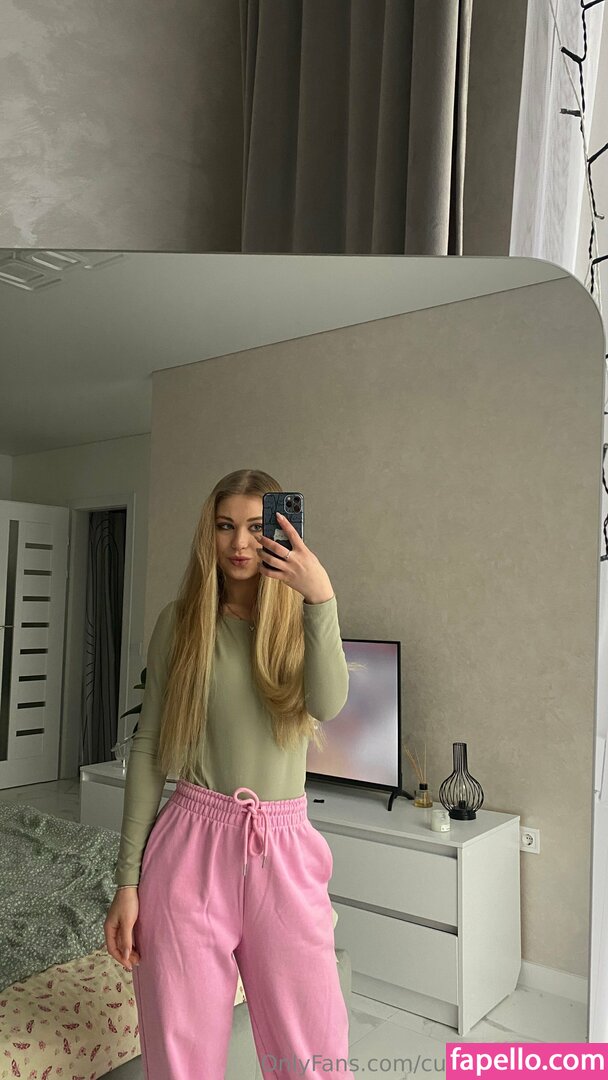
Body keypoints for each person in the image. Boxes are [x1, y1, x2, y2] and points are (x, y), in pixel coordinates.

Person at [103, 468, 354, 1079]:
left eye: (256, 527)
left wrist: (321, 597)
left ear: (279, 532)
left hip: (283, 850)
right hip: (190, 845)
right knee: (181, 1058)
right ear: (208, 534)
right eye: (224, 526)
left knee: (314, 1053)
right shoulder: (180, 623)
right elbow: (150, 748)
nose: (240, 543)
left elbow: (328, 704)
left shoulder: (300, 621)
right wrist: (127, 882)